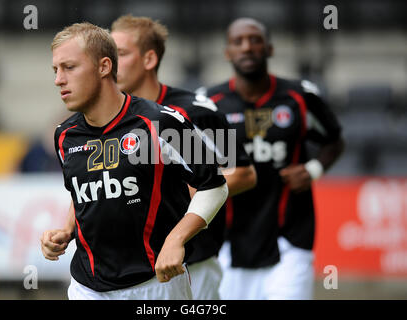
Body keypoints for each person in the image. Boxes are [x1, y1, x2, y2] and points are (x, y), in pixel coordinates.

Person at [40, 22, 229, 300]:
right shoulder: (65, 136)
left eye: (69, 67)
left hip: (156, 284)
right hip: (86, 288)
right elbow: (86, 193)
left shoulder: (162, 123)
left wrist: (176, 239)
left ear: (104, 67)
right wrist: (65, 232)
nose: (58, 79)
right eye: (56, 70)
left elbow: (214, 185)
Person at [110, 15, 257, 300]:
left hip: (193, 261)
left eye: (122, 54)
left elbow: (243, 173)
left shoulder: (194, 110)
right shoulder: (114, 117)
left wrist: (190, 190)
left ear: (149, 59)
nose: (112, 64)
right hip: (134, 269)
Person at [201, 18, 345, 300]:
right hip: (228, 244)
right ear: (227, 52)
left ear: (269, 49)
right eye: (238, 42)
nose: (247, 47)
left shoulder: (300, 96)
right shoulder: (208, 103)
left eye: (255, 40)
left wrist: (314, 168)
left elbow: (335, 140)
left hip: (290, 238)